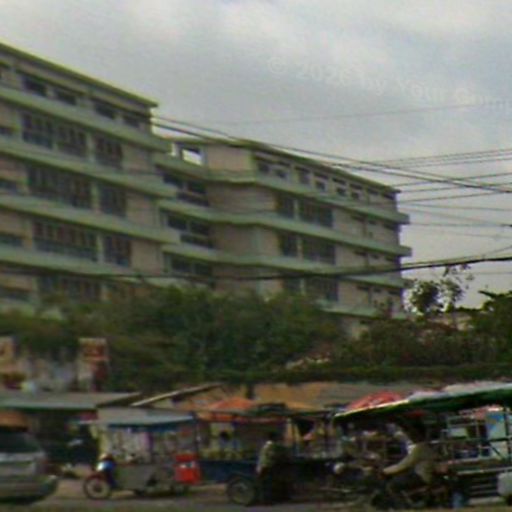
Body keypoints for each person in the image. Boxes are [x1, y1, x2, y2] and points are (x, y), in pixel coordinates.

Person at [382, 424, 436, 503]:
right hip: (422, 474)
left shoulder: (420, 448)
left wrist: (385, 471)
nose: (411, 436)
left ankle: (401, 506)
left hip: (420, 476)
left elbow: (404, 464)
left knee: (392, 485)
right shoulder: (426, 446)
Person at [256, 431, 288, 504]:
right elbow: (272, 455)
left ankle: (265, 500)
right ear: (273, 438)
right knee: (268, 483)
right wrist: (281, 456)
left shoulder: (266, 445)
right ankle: (267, 500)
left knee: (264, 484)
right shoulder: (272, 445)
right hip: (268, 466)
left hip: (263, 466)